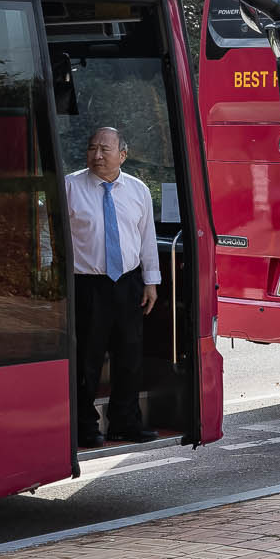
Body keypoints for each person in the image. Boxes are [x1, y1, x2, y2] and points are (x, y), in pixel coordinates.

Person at [66, 125, 159, 447]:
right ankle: (84, 427)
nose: (97, 155)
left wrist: (151, 281)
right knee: (86, 361)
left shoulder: (138, 190)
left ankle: (124, 423)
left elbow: (146, 239)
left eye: (105, 149)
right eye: (92, 148)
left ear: (123, 154)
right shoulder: (70, 187)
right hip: (87, 284)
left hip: (128, 282)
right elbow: (50, 236)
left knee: (129, 357)